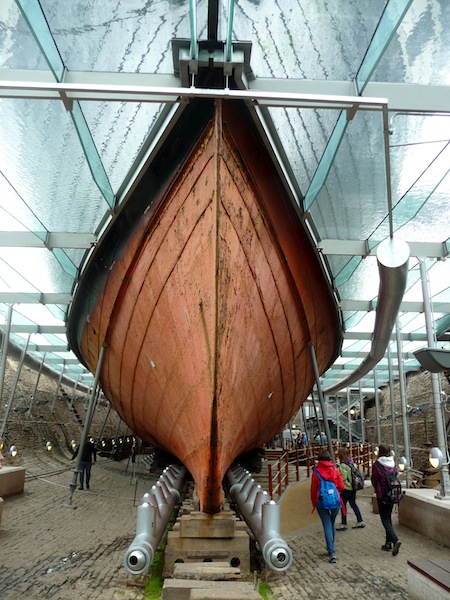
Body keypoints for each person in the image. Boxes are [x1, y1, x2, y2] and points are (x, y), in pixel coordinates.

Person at [310, 449, 345, 564]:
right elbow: (341, 486)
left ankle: (332, 551)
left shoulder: (316, 472)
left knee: (327, 526)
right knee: (332, 523)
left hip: (322, 502)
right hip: (335, 501)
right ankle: (331, 547)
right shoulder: (335, 470)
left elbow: (313, 489)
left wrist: (314, 502)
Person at [371, 443, 401, 556]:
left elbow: (374, 479)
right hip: (392, 493)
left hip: (382, 494)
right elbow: (396, 474)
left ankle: (395, 539)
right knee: (388, 517)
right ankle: (388, 543)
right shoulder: (392, 464)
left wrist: (377, 488)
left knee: (385, 519)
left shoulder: (377, 465)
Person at [336, 447, 365, 530]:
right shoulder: (352, 464)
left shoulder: (342, 466)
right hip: (353, 488)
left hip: (346, 488)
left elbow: (343, 478)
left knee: (343, 505)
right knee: (353, 504)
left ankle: (343, 523)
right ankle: (360, 520)